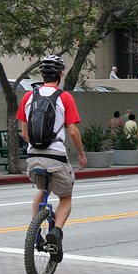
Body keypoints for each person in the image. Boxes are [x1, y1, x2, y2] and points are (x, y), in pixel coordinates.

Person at [17, 55, 87, 263]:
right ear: (60, 75)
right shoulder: (65, 97)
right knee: (65, 197)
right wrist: (81, 155)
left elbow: (24, 133)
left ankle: (35, 230)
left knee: (43, 190)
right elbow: (73, 132)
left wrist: (35, 147)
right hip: (56, 156)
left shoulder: (28, 96)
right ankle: (56, 232)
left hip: (33, 158)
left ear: (41, 75)